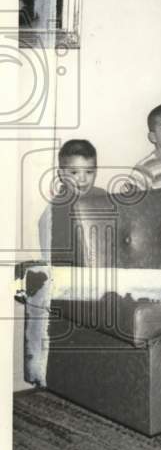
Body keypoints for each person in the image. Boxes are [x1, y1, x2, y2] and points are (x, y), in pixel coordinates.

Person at [27, 139, 106, 386]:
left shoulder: (103, 198)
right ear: (62, 174)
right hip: (71, 280)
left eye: (89, 172)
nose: (83, 179)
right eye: (74, 172)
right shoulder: (55, 211)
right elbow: (52, 260)